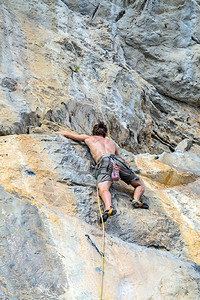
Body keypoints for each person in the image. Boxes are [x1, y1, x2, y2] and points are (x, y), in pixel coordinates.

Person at [53, 121, 148, 222]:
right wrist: (126, 161)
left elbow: (68, 135)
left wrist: (55, 133)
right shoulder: (112, 143)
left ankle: (108, 208)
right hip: (118, 162)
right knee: (139, 185)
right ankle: (136, 200)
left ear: (94, 132)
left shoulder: (89, 138)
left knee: (103, 188)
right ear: (106, 133)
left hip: (104, 162)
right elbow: (119, 156)